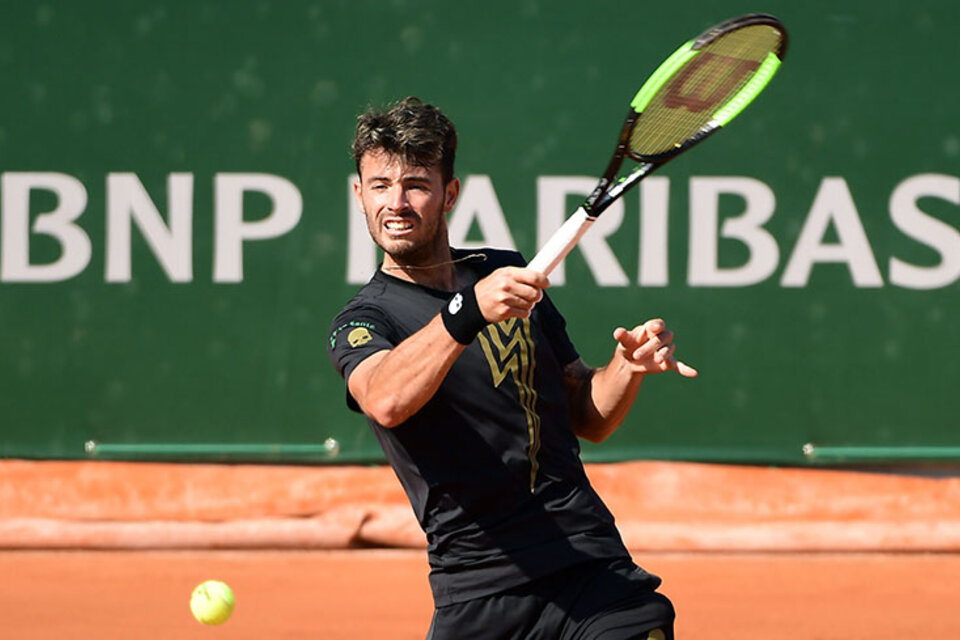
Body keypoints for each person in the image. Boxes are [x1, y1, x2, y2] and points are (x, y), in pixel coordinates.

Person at [328, 96, 697, 640]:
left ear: (448, 194)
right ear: (359, 194)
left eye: (416, 184)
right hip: (479, 591)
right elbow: (385, 399)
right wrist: (467, 311)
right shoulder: (365, 320)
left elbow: (585, 415)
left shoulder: (504, 272)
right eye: (380, 185)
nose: (397, 202)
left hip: (591, 570)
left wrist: (625, 367)